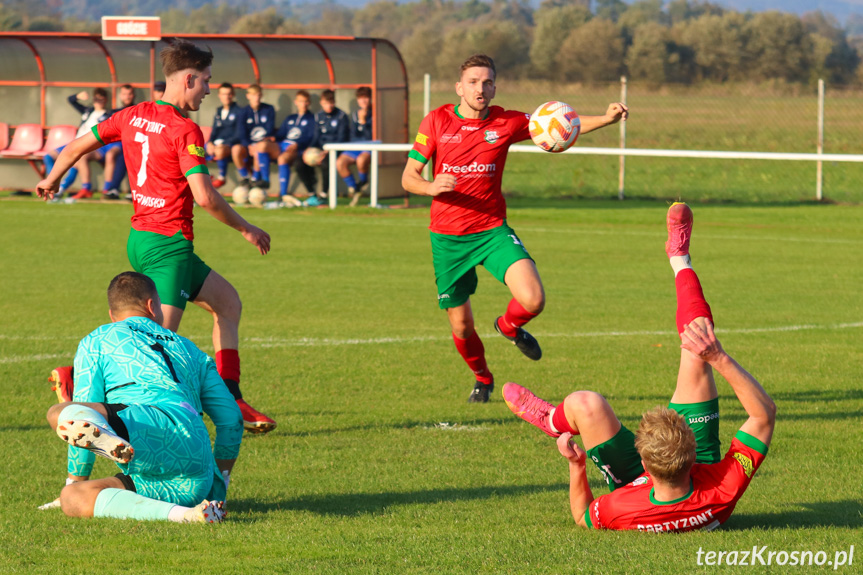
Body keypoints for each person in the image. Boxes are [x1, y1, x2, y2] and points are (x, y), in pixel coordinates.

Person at [37, 39, 277, 433]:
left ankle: (231, 396)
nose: (209, 89)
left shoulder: (131, 114)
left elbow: (76, 146)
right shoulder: (186, 130)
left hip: (142, 238)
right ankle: (76, 380)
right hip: (169, 246)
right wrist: (246, 228)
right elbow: (204, 196)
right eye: (205, 81)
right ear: (188, 79)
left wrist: (51, 177)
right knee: (155, 348)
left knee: (228, 304)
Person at [503, 203, 777, 532]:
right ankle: (679, 257)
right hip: (687, 481)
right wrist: (714, 356)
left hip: (639, 491)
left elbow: (583, 516)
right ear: (693, 451)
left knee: (584, 403)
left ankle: (551, 420)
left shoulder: (620, 507)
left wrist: (578, 466)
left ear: (643, 462)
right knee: (698, 336)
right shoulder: (722, 487)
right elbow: (762, 415)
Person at [401, 54, 628, 403]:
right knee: (461, 326)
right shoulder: (436, 121)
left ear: (494, 87)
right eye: (473, 82)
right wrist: (430, 187)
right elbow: (408, 177)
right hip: (447, 238)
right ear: (459, 87)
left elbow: (560, 121)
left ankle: (508, 326)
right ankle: (482, 376)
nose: (481, 88)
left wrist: (607, 118)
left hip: (491, 230)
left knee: (534, 299)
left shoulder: (506, 122)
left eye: (487, 82)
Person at [43, 272, 239, 523]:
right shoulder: (192, 350)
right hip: (194, 460)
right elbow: (231, 419)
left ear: (112, 315)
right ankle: (188, 515)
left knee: (60, 413)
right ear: (152, 306)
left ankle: (103, 431)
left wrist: (77, 477)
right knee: (74, 498)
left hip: (143, 422)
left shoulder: (98, 339)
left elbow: (80, 416)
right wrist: (218, 488)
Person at [43, 88, 112, 200]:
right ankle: (54, 181)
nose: (98, 101)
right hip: (75, 142)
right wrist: (78, 96)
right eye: (96, 98)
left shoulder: (109, 114)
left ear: (105, 100)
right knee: (48, 156)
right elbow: (70, 100)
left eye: (101, 98)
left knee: (77, 159)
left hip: (91, 145)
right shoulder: (88, 111)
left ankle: (72, 188)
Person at [275, 90, 317, 204]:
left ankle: (283, 194)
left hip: (297, 149)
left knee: (282, 159)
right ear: (296, 102)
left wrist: (298, 144)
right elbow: (280, 135)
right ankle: (259, 184)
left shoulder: (312, 119)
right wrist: (270, 138)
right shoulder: (290, 118)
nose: (303, 104)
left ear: (309, 103)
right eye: (301, 101)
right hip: (283, 145)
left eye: (306, 101)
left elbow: (310, 137)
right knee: (261, 148)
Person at [235, 84, 277, 190]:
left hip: (263, 145)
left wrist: (257, 145)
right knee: (235, 150)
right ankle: (245, 177)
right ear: (248, 96)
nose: (256, 98)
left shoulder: (269, 109)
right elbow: (241, 132)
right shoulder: (243, 112)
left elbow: (270, 130)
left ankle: (255, 180)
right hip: (248, 146)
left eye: (258, 95)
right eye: (253, 95)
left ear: (261, 95)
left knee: (260, 148)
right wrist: (248, 145)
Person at [337, 86, 374, 207]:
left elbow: (370, 136)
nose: (363, 101)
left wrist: (363, 122)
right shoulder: (354, 115)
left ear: (371, 99)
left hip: (370, 146)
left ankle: (363, 182)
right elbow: (353, 134)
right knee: (340, 163)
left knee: (361, 160)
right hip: (355, 145)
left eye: (366, 98)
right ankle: (355, 188)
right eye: (360, 98)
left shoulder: (375, 114)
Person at [101, 84, 137, 199]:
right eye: (125, 94)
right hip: (115, 143)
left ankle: (116, 188)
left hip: (134, 143)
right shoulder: (114, 112)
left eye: (129, 94)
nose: (127, 97)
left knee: (126, 154)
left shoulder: (138, 110)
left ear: (133, 95)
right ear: (120, 96)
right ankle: (111, 189)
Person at [206, 82, 243, 189]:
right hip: (215, 144)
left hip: (229, 145)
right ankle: (204, 177)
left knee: (219, 151)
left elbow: (239, 134)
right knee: (195, 151)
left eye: (229, 94)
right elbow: (214, 130)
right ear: (219, 95)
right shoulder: (218, 110)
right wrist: (210, 143)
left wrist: (225, 144)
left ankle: (221, 177)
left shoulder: (239, 111)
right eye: (223, 94)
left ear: (233, 95)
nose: (226, 97)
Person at [313, 89, 349, 198]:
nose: (328, 106)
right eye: (325, 103)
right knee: (300, 162)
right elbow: (316, 136)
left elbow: (342, 138)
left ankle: (324, 193)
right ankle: (311, 192)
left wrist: (326, 151)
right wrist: (310, 149)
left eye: (330, 103)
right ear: (321, 103)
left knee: (325, 163)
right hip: (321, 150)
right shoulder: (318, 116)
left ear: (334, 102)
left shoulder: (341, 116)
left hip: (336, 150)